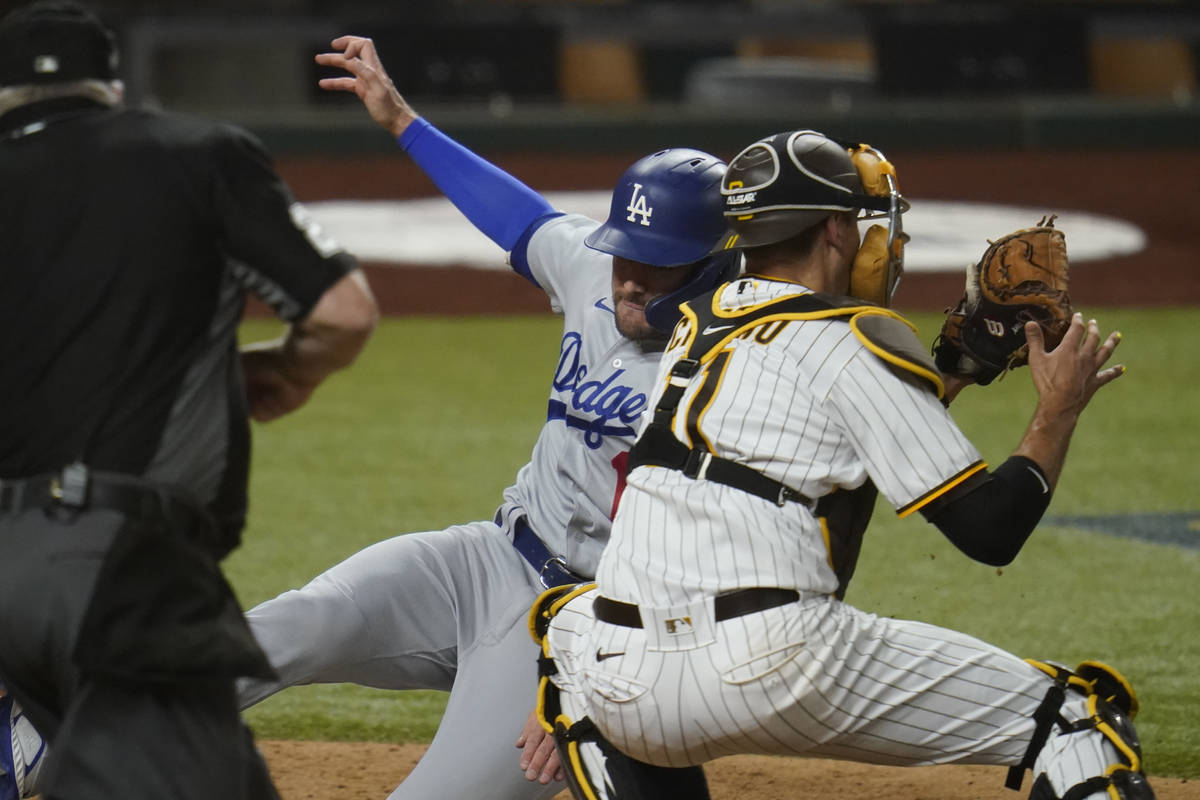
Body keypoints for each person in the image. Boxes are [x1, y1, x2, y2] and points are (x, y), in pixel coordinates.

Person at [535, 130, 1155, 800]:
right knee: (1079, 718)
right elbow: (990, 530)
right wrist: (1055, 413)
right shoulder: (852, 340)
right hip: (777, 664)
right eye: (865, 224)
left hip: (620, 677)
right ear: (835, 229)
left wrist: (954, 370)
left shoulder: (692, 323)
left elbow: (830, 443)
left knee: (564, 624)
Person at [227, 35, 740, 800]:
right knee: (281, 630)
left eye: (656, 263)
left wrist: (590, 676)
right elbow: (517, 217)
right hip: (488, 558)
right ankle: (26, 747)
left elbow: (712, 569)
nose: (629, 278)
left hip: (586, 624)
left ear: (714, 264)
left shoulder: (741, 372)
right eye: (625, 253)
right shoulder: (596, 267)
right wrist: (401, 119)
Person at [0, 3, 378, 798]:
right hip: (117, 565)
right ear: (112, 83)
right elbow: (342, 311)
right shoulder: (191, 154)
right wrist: (288, 371)